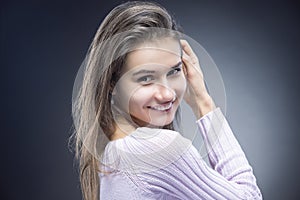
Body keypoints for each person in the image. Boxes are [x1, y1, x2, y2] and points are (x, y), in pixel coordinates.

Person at [71, 1, 262, 200]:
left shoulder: (110, 148)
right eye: (146, 78)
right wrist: (203, 101)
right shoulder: (158, 150)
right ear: (112, 83)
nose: (167, 94)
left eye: (174, 71)